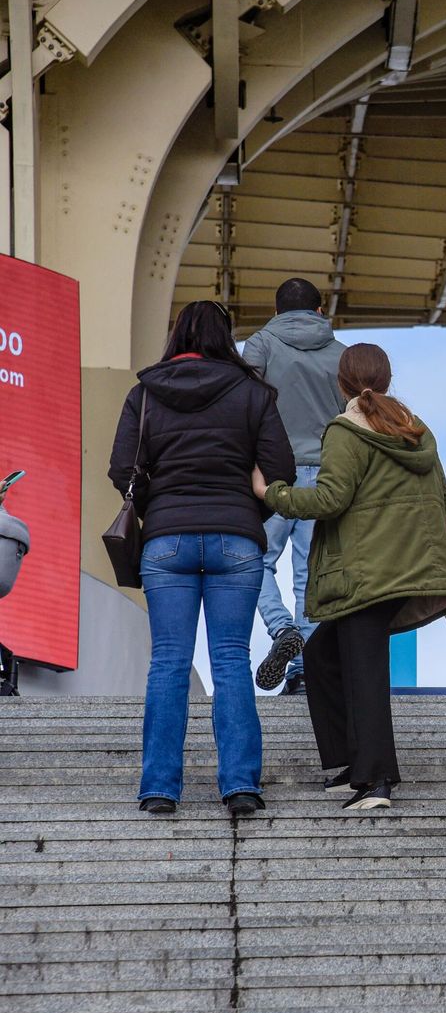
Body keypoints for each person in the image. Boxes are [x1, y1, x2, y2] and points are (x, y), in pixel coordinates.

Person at [253, 343, 446, 811]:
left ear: (341, 383)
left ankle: (376, 780)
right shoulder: (415, 431)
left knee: (363, 672)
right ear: (387, 379)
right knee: (323, 656)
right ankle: (354, 763)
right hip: (406, 567)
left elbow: (329, 500)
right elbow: (441, 501)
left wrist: (273, 493)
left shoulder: (346, 430)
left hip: (367, 571)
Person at [108, 300, 295, 817]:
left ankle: (160, 789)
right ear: (226, 338)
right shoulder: (254, 393)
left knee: (168, 662)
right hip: (236, 538)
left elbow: (122, 468)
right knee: (231, 660)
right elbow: (280, 467)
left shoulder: (145, 394)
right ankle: (239, 786)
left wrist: (161, 506)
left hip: (166, 540)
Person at [242, 277, 346, 695]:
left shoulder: (261, 345)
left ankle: (281, 627)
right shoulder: (342, 355)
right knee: (311, 573)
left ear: (276, 311)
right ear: (321, 311)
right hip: (326, 475)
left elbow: (245, 406)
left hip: (272, 474)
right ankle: (304, 672)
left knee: (254, 560)